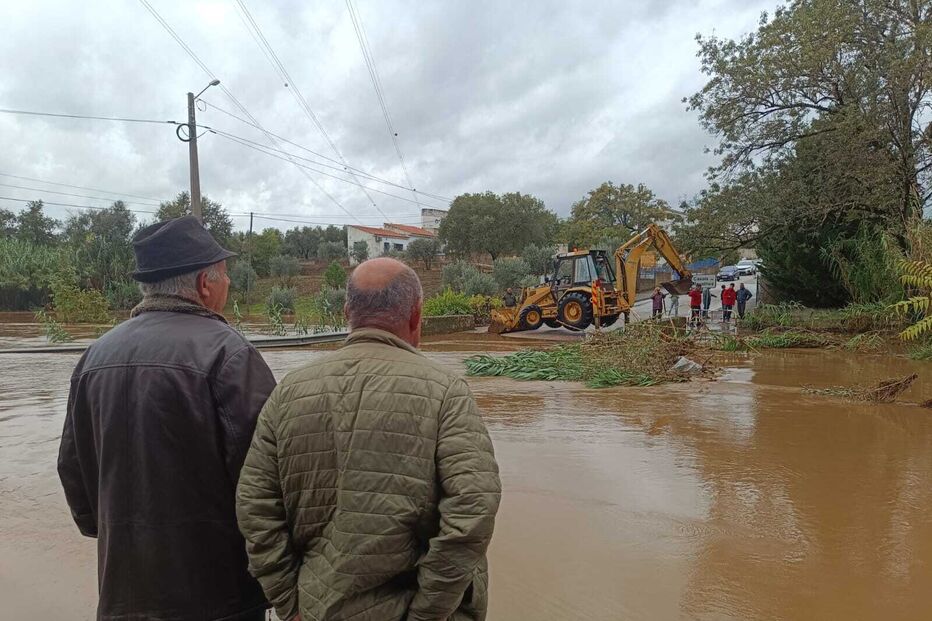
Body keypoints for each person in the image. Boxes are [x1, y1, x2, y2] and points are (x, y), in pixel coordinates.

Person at [237, 258, 501, 621]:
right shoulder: (446, 392)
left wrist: (289, 602)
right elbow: (473, 510)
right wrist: (429, 612)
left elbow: (255, 506)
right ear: (416, 315)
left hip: (318, 608)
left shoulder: (289, 393)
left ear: (347, 312)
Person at [58, 216, 276, 621]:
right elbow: (266, 479)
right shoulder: (229, 354)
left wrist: (113, 533)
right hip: (217, 597)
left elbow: (73, 470)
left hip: (122, 593)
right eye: (225, 275)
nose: (227, 284)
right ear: (204, 285)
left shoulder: (95, 356)